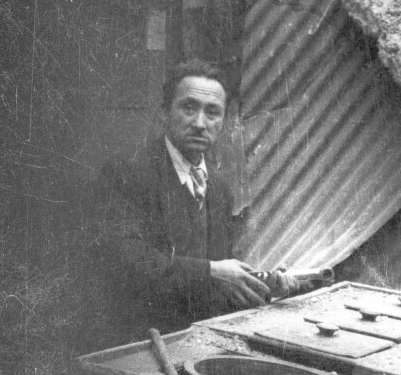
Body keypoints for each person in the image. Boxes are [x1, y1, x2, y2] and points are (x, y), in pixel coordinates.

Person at [93, 58, 271, 343]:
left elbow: (218, 283)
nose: (200, 123)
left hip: (201, 343)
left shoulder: (219, 189)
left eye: (213, 112)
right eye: (189, 108)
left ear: (224, 121)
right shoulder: (127, 172)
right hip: (141, 342)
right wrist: (212, 271)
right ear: (165, 112)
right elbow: (127, 263)